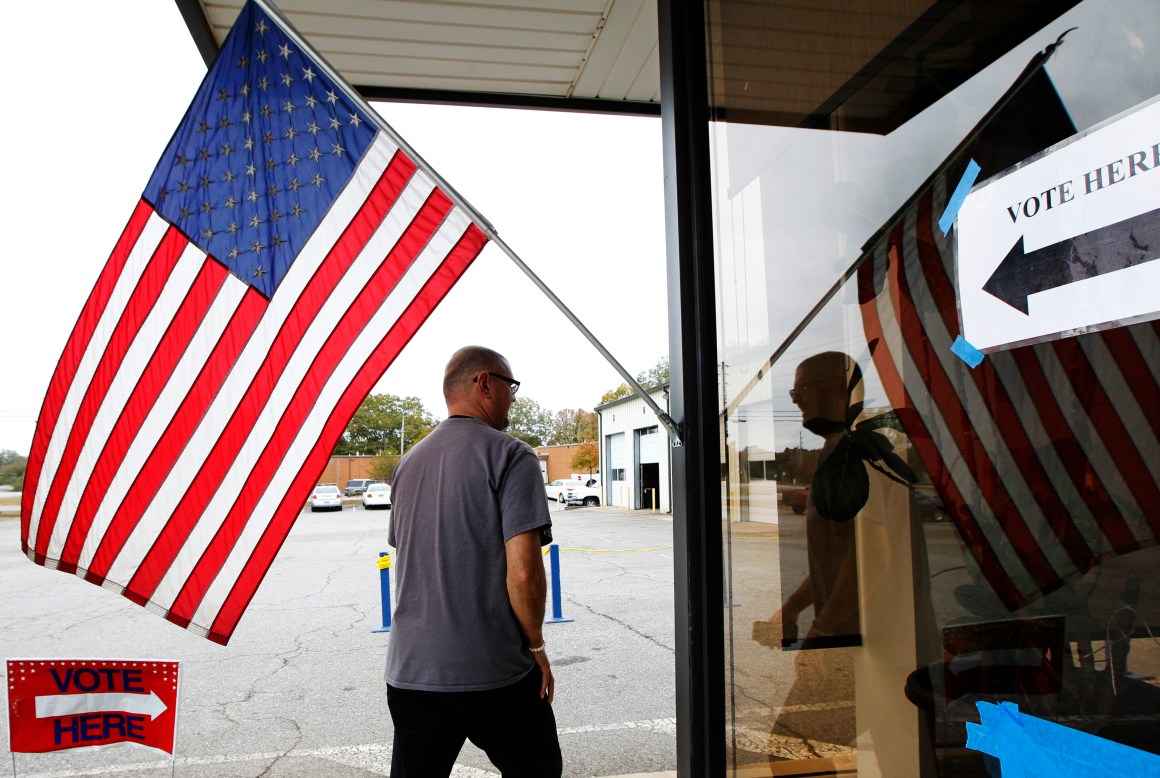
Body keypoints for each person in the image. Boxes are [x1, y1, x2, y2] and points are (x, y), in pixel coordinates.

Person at [385, 346, 562, 777]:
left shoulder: (408, 464)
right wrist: (536, 646)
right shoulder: (512, 455)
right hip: (492, 673)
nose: (514, 398)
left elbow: (410, 554)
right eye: (510, 386)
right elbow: (523, 571)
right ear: (484, 383)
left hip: (410, 674)